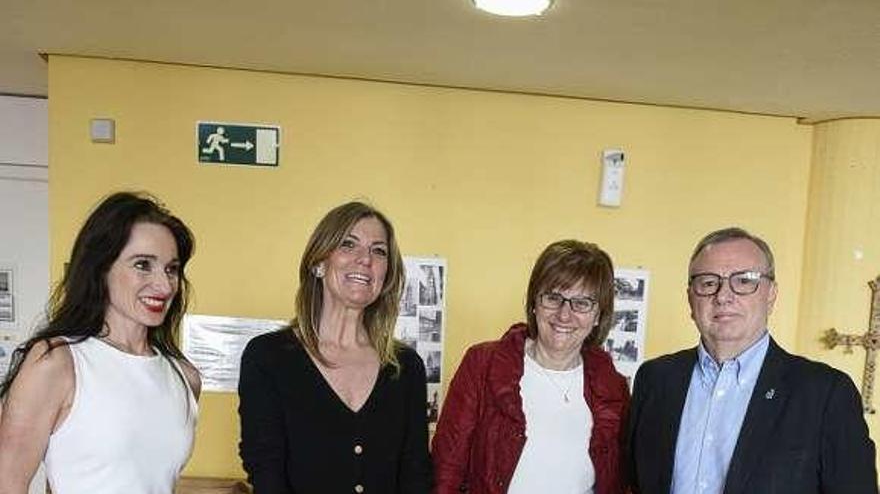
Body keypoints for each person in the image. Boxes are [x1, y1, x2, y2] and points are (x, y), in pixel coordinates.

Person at [625, 227, 878, 494]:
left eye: (744, 281)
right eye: (708, 282)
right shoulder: (655, 379)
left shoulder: (825, 393)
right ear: (691, 298)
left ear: (771, 294)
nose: (723, 296)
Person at [0, 191, 201, 494]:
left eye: (171, 269)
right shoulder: (58, 362)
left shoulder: (184, 377)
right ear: (101, 268)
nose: (163, 285)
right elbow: (8, 481)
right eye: (143, 264)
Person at [238, 201, 432, 493]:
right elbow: (266, 471)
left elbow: (415, 474)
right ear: (318, 263)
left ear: (386, 275)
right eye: (348, 244)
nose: (365, 259)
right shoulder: (268, 357)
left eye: (378, 251)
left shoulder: (406, 367)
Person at [432, 240, 629, 494]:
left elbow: (619, 480)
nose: (564, 315)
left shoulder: (613, 386)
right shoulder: (482, 364)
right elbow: (446, 470)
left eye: (582, 303)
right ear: (534, 302)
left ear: (598, 315)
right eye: (553, 297)